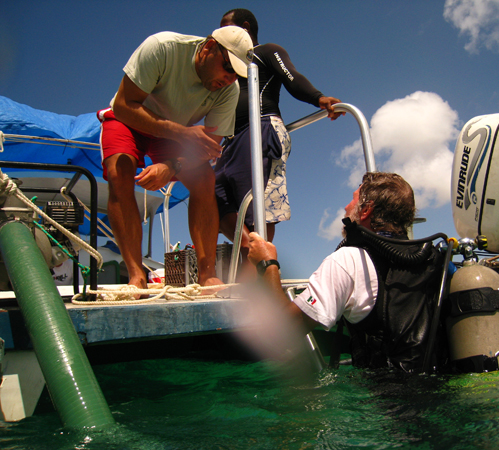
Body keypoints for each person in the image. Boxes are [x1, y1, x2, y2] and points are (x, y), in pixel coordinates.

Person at [98, 26, 253, 293]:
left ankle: (207, 275)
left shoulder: (229, 91)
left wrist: (170, 166)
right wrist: (179, 131)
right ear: (208, 48)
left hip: (172, 135)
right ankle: (136, 276)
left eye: (236, 75)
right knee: (118, 170)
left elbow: (209, 148)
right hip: (131, 118)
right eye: (227, 67)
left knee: (205, 178)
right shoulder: (162, 47)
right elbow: (124, 105)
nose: (228, 79)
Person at [247, 172, 446, 372]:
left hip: (386, 400)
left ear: (366, 210)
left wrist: (267, 264)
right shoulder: (435, 260)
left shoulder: (348, 260)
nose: (346, 207)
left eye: (353, 200)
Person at [215, 8, 343, 276]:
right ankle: (254, 258)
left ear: (245, 27)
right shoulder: (226, 66)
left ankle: (257, 271)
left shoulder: (265, 51)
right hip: (229, 141)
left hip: (261, 129)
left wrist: (318, 98)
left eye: (228, 28)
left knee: (256, 207)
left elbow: (291, 77)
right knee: (214, 199)